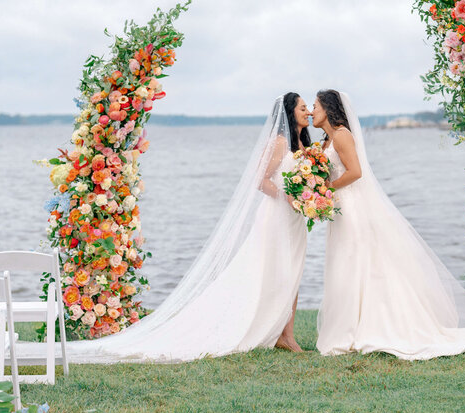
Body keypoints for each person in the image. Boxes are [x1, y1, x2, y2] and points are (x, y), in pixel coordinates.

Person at [68, 94, 311, 363]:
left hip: (294, 217)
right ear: (290, 112)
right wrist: (285, 196)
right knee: (273, 271)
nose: (308, 111)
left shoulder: (301, 144)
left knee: (293, 272)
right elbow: (260, 180)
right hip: (276, 216)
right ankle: (278, 333)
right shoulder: (278, 143)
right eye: (303, 107)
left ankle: (286, 334)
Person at [312, 89, 465, 360]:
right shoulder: (328, 139)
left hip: (352, 209)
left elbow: (356, 172)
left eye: (316, 106)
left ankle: (362, 326)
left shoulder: (341, 135)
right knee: (345, 264)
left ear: (329, 109)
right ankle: (350, 323)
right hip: (341, 209)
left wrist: (327, 188)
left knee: (354, 261)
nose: (311, 110)